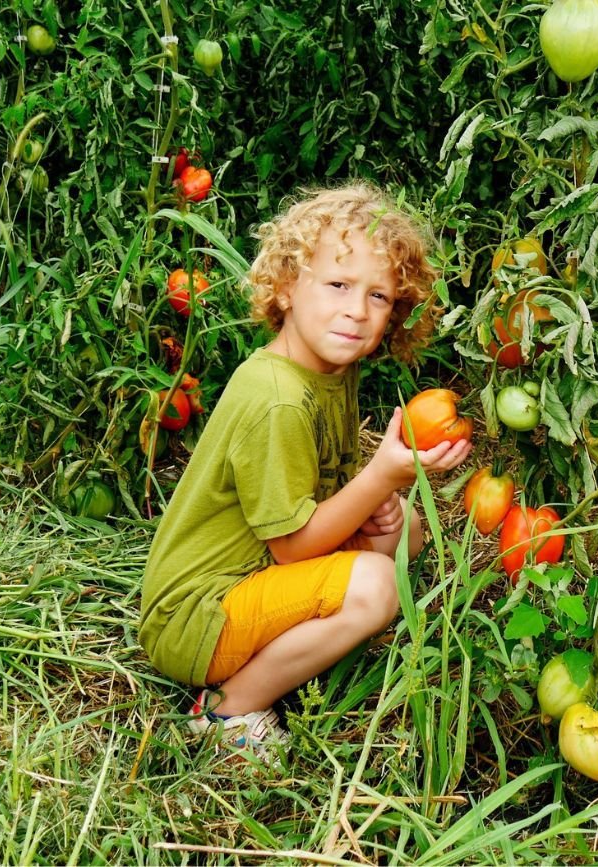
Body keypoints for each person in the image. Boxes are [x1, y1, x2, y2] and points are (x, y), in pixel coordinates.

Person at [138, 182, 471, 763]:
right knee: (376, 586)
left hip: (254, 574)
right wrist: (380, 480)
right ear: (288, 287)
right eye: (338, 285)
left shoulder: (328, 369)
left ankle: (291, 648)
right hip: (197, 616)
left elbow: (323, 494)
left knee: (408, 532)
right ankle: (225, 710)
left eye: (379, 297)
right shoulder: (278, 399)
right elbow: (293, 547)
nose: (356, 311)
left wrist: (377, 506)